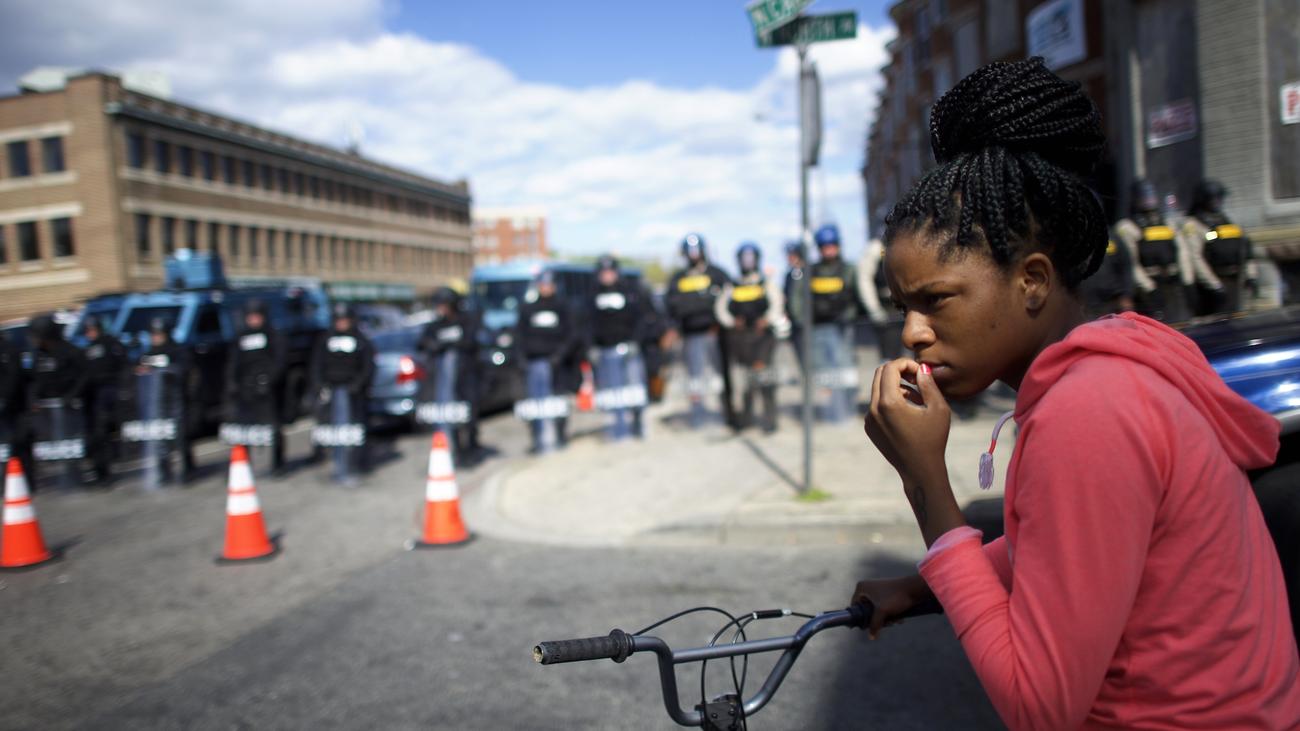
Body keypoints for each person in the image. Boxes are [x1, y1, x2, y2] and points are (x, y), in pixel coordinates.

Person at [851, 57, 1299, 730]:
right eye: (902, 307)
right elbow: (1060, 547)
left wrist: (926, 485)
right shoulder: (1114, 361)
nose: (912, 332)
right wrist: (923, 584)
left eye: (935, 300)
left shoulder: (1088, 411)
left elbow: (1039, 707)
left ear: (1032, 280)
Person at [714, 242, 784, 433]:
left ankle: (770, 421)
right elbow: (720, 309)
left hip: (763, 338)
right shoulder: (732, 285)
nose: (747, 262)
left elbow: (777, 304)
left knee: (765, 379)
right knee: (745, 382)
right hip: (740, 339)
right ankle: (746, 420)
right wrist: (731, 322)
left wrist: (767, 319)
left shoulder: (765, 283)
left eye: (750, 258)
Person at [665, 233, 732, 429]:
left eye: (697, 251)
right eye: (690, 252)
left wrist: (720, 324)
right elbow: (671, 307)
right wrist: (673, 329)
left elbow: (729, 300)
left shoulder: (717, 274)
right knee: (695, 380)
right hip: (690, 336)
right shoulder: (678, 278)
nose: (694, 255)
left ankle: (726, 414)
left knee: (720, 378)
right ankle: (698, 416)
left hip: (716, 335)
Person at [310, 304, 375, 486]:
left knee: (353, 432)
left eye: (345, 320)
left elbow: (368, 365)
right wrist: (319, 385)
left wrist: (358, 384)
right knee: (332, 431)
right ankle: (338, 466)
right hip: (331, 392)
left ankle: (353, 465)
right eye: (339, 320)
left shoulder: (360, 340)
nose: (342, 323)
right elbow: (317, 365)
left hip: (352, 393)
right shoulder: (325, 340)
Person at [513, 270, 577, 453]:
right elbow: (519, 335)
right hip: (533, 362)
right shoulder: (528, 308)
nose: (545, 288)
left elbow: (572, 334)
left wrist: (560, 355)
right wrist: (521, 358)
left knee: (558, 401)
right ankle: (537, 438)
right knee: (535, 404)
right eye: (542, 284)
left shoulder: (563, 307)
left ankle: (559, 435)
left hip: (556, 363)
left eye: (549, 284)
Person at [1114, 179, 1192, 322]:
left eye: (1150, 195)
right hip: (1150, 287)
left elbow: (1183, 252)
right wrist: (1149, 288)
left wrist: (1187, 281)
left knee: (1181, 323)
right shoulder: (1128, 226)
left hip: (1173, 282)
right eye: (1144, 196)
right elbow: (1131, 263)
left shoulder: (1167, 222)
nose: (1148, 200)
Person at [224, 299, 287, 476]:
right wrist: (233, 383)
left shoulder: (272, 335)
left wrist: (268, 380)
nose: (254, 320)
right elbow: (234, 363)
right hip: (246, 389)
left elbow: (279, 361)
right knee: (245, 430)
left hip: (267, 389)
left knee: (272, 428)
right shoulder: (241, 337)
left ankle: (277, 463)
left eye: (257, 316)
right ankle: (244, 464)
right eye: (251, 316)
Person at [418, 287, 482, 460]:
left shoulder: (466, 321)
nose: (441, 309)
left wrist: (450, 345)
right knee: (448, 415)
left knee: (467, 416)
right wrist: (433, 345)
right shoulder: (435, 325)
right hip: (443, 380)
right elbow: (422, 343)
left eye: (444, 305)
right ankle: (454, 449)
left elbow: (471, 343)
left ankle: (470, 447)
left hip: (465, 378)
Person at [589, 255, 649, 440]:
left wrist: (635, 341)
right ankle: (618, 427)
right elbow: (586, 324)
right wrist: (591, 346)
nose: (607, 275)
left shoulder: (630, 292)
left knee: (635, 390)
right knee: (612, 393)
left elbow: (641, 319)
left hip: (629, 349)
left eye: (610, 272)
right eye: (604, 272)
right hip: (605, 351)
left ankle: (638, 424)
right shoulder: (592, 295)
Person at [808, 224, 863, 422]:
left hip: (842, 328)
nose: (829, 250)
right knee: (825, 373)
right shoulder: (812, 271)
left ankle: (848, 409)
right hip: (818, 329)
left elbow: (857, 296)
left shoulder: (848, 269)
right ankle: (831, 411)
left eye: (832, 245)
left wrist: (849, 315)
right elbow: (801, 299)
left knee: (845, 369)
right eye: (825, 246)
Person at [28, 314, 89, 489]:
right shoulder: (39, 355)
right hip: (48, 410)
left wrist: (71, 396)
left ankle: (74, 476)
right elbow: (35, 380)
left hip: (69, 408)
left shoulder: (70, 352)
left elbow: (84, 376)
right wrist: (34, 399)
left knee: (71, 445)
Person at [1183, 179, 1259, 316]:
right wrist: (1214, 285)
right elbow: (1195, 257)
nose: (1217, 202)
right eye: (1213, 199)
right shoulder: (1193, 224)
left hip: (1236, 281)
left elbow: (1246, 250)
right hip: (1213, 286)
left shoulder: (1228, 221)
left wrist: (1251, 275)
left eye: (1219, 198)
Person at [133, 318, 195, 484]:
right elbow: (137, 369)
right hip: (156, 402)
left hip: (174, 399)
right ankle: (164, 470)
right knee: (160, 437)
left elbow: (185, 369)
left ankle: (186, 470)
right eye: (153, 335)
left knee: (180, 436)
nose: (156, 338)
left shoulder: (176, 350)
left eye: (159, 334)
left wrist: (168, 370)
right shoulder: (148, 354)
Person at [82, 316, 127, 486]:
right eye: (87, 330)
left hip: (110, 390)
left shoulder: (111, 343)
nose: (90, 333)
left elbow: (123, 365)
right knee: (98, 432)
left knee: (108, 429)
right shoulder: (87, 349)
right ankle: (100, 468)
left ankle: (109, 463)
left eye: (92, 329)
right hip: (94, 394)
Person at [856, 237, 904, 363]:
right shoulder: (876, 249)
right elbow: (865, 280)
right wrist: (875, 309)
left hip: (904, 307)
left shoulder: (905, 241)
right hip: (886, 309)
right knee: (889, 357)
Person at [1079, 236, 1136, 319]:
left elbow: (1126, 267)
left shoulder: (1114, 238)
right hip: (1084, 303)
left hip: (1112, 302)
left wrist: (1127, 295)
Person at [782, 240, 808, 370]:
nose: (790, 258)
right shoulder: (789, 275)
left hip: (808, 323)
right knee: (801, 356)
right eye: (789, 255)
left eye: (793, 255)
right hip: (795, 325)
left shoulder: (808, 272)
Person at [0, 329, 24, 469]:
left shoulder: (8, 350)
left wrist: (4, 400)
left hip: (11, 408)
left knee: (12, 443)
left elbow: (13, 378)